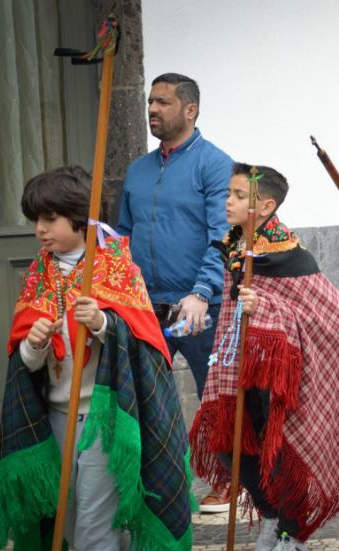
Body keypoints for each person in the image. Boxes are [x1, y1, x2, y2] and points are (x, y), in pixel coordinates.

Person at [0, 167, 192, 551]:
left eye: (50, 218)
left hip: (104, 419)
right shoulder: (39, 275)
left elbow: (145, 344)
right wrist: (34, 345)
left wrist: (104, 324)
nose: (40, 229)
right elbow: (22, 363)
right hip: (55, 417)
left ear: (79, 218)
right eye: (35, 219)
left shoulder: (118, 268)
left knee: (96, 529)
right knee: (73, 526)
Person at [188, 164, 339, 551]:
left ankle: (296, 539)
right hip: (244, 364)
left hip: (289, 378)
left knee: (283, 450)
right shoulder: (235, 245)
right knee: (232, 441)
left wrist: (269, 310)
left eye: (239, 196)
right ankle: (271, 513)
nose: (229, 202)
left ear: (267, 206)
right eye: (230, 193)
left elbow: (338, 318)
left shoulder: (290, 256)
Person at [116, 72, 235, 513]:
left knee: (217, 397)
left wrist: (203, 291)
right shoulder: (137, 170)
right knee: (149, 399)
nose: (152, 109)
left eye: (163, 102)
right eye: (150, 102)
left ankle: (227, 481)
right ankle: (159, 483)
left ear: (190, 110)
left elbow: (222, 235)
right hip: (148, 308)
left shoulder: (215, 164)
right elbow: (122, 237)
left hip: (201, 307)